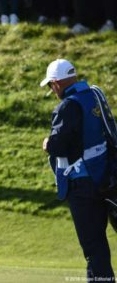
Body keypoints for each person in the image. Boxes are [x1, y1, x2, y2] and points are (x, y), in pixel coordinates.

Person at [41, 59, 115, 282]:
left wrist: (47, 144)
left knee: (93, 244)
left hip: (82, 184)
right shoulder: (93, 96)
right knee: (98, 241)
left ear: (56, 83)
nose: (52, 91)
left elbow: (59, 145)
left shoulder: (67, 105)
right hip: (103, 177)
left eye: (50, 86)